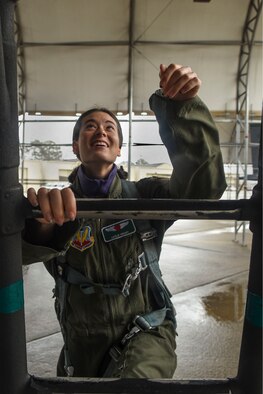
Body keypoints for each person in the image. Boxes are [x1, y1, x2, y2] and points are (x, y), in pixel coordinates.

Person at [22, 63, 227, 378]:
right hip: (80, 345)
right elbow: (18, 254)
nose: (100, 131)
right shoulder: (56, 207)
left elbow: (203, 188)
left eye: (109, 127)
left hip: (146, 331)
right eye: (89, 126)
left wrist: (181, 110)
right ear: (76, 147)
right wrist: (40, 227)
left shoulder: (146, 196)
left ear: (117, 149)